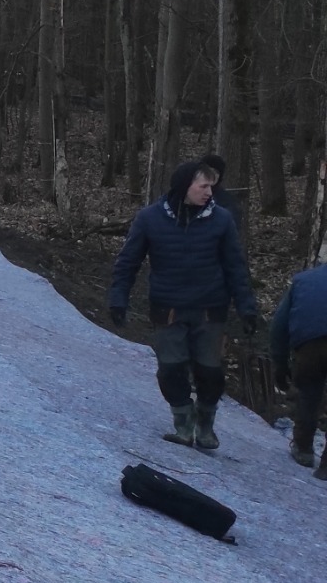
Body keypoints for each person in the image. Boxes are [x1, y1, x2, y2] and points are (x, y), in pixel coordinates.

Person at [109, 159, 260, 451]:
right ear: (185, 187)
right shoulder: (149, 219)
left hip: (210, 310)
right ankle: (184, 424)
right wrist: (118, 299)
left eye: (211, 187)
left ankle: (205, 427)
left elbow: (236, 267)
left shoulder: (222, 220)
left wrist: (247, 308)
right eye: (203, 186)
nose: (209, 193)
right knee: (170, 371)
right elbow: (128, 262)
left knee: (210, 373)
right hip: (168, 308)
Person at [269, 262, 327, 475]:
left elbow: (279, 325)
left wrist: (280, 364)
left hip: (308, 344)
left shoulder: (303, 280)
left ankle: (303, 449)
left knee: (308, 394)